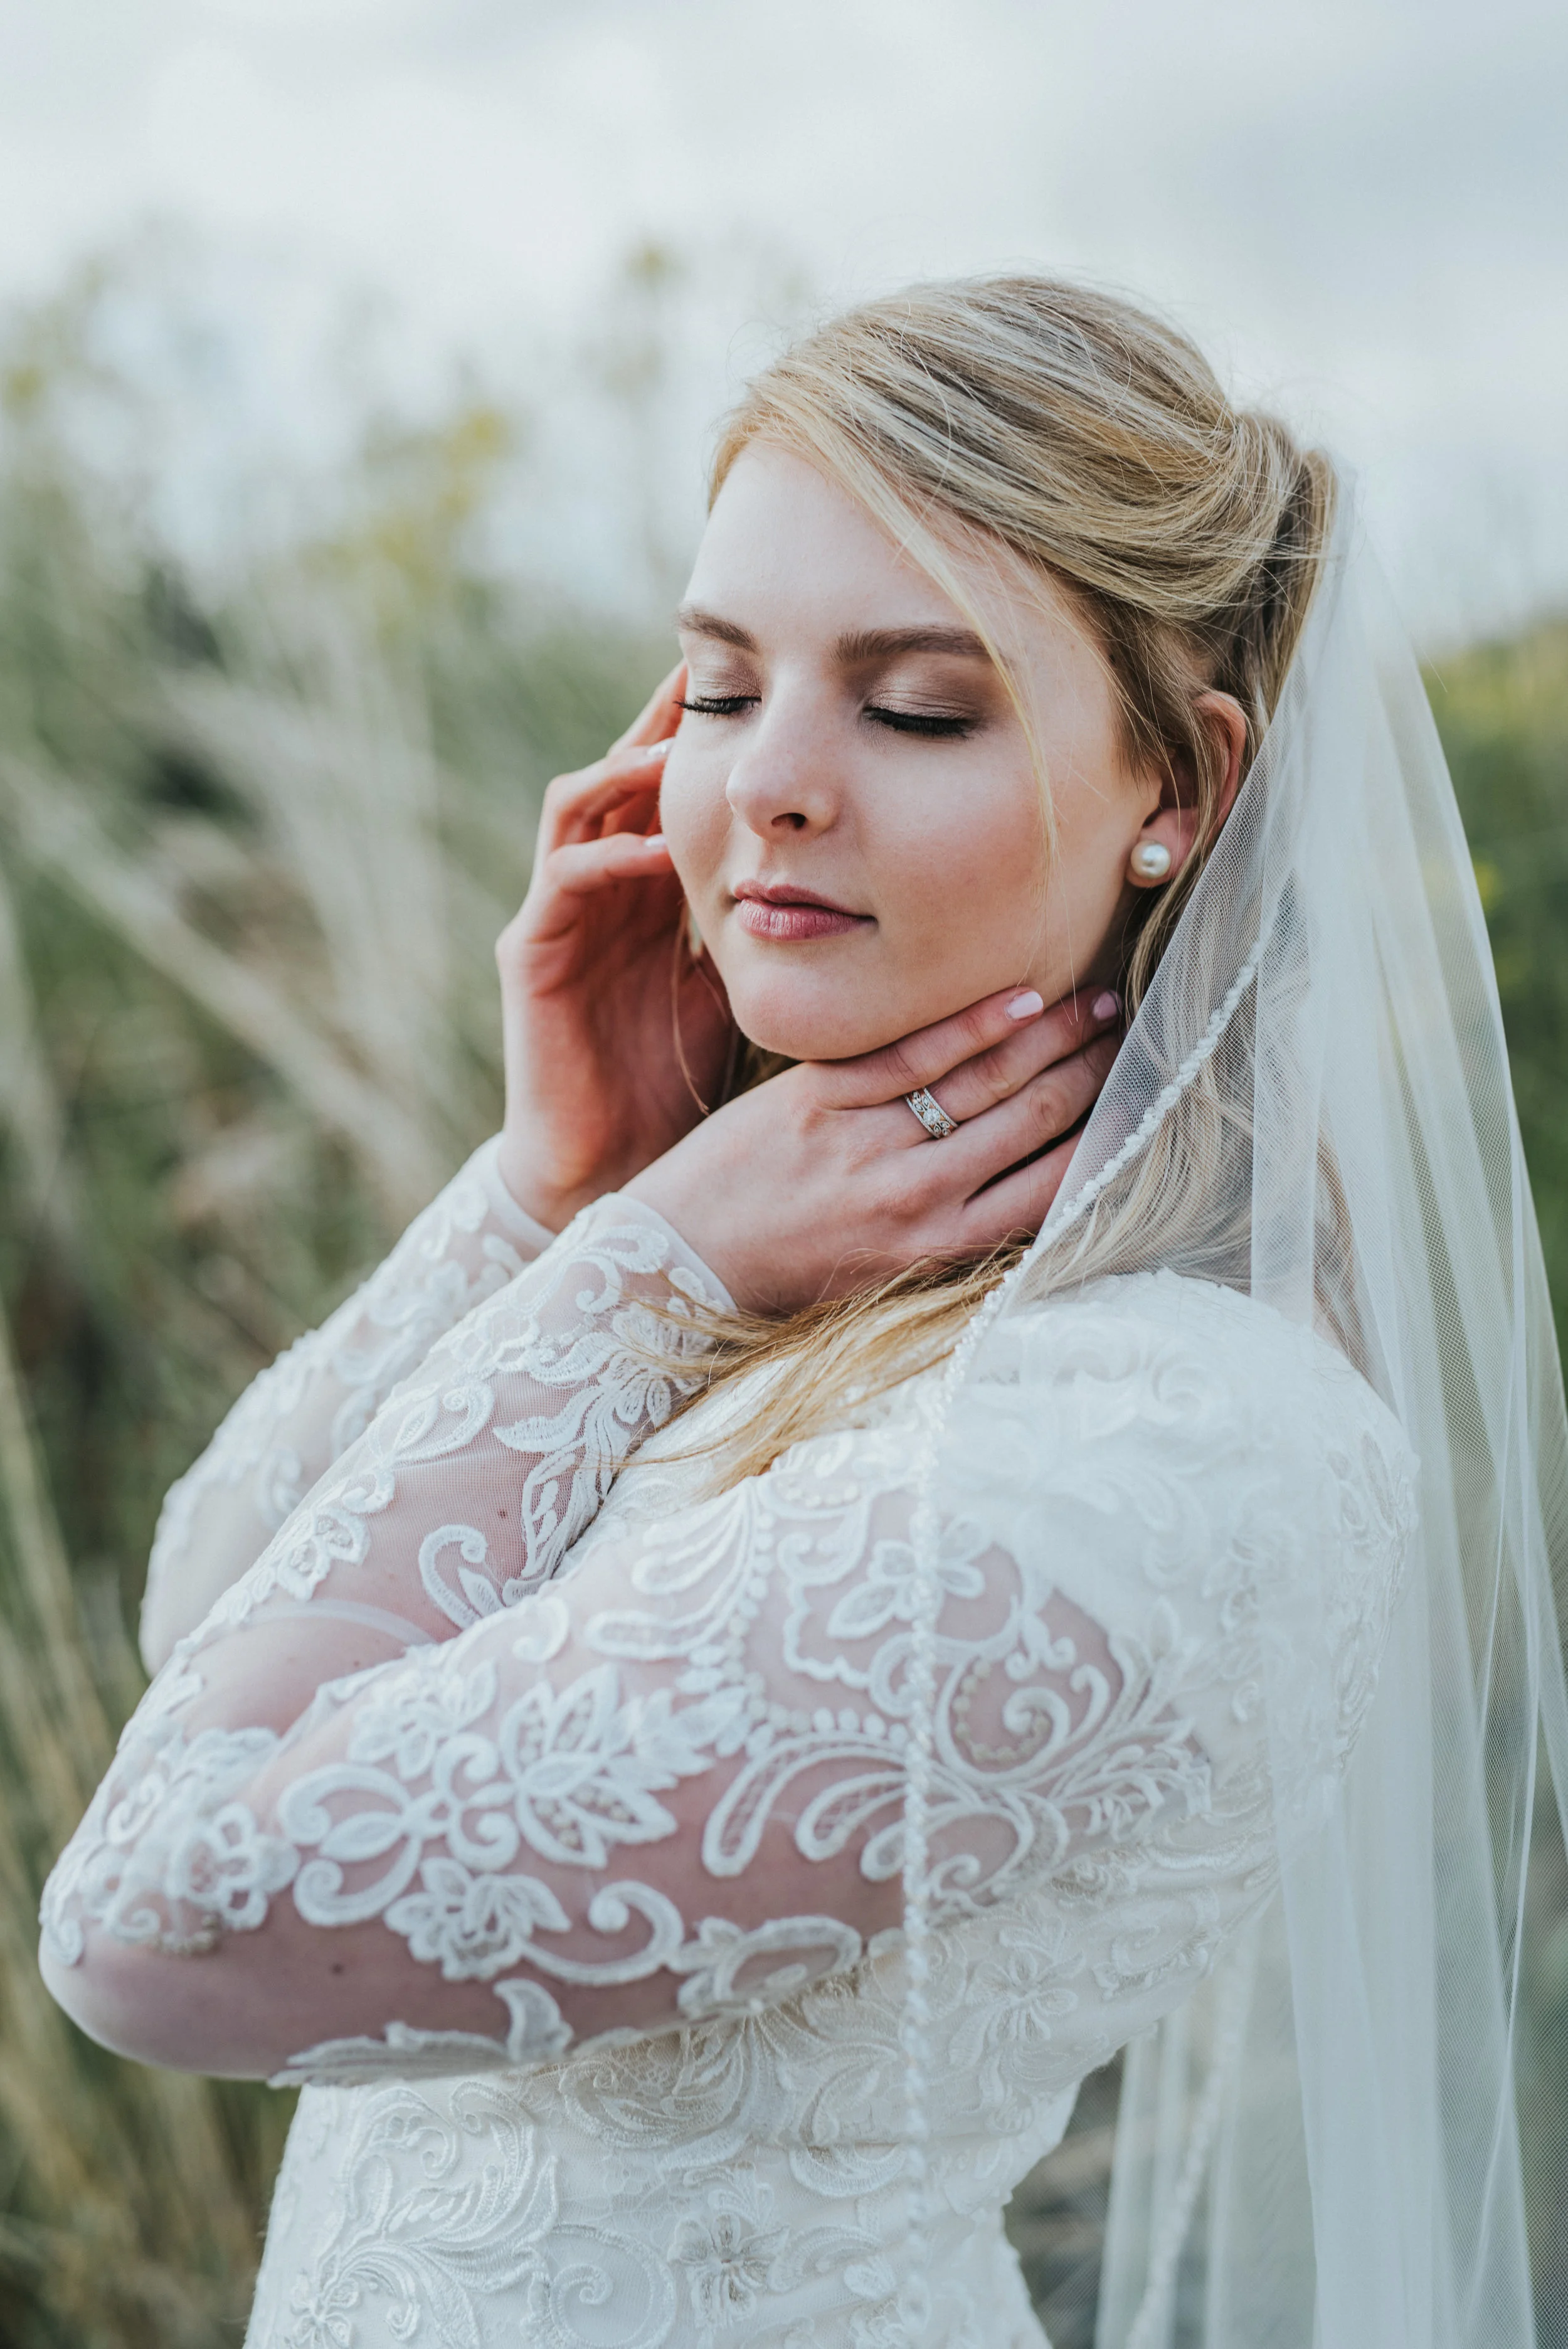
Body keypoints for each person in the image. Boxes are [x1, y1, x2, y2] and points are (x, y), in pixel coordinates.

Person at [39, 278, 1567, 2349]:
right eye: (721, 686)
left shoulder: (1168, 1445)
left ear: (1179, 790)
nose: (768, 787)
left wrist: (643, 1273)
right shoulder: (777, 1251)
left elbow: (165, 1915)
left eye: (915, 706)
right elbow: (216, 1620)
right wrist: (556, 1190)